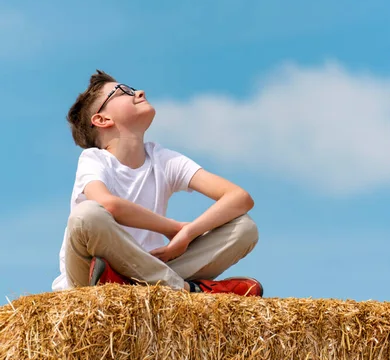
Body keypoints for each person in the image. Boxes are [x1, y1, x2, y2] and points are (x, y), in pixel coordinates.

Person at [52, 70, 262, 296]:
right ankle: (185, 290)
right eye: (123, 92)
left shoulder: (163, 159)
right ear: (102, 119)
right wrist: (172, 228)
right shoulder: (94, 159)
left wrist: (188, 233)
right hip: (87, 279)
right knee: (88, 215)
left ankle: (138, 288)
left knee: (244, 228)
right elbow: (108, 205)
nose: (139, 92)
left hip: (149, 274)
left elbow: (239, 197)